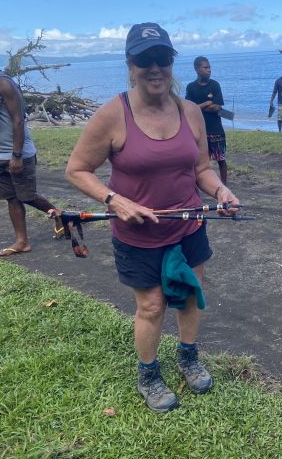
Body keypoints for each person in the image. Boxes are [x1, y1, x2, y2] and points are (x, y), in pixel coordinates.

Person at [66, 23, 240, 413]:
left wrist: (220, 191)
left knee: (191, 291)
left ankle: (188, 356)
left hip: (189, 223)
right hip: (137, 235)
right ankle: (148, 373)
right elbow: (77, 169)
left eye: (162, 58)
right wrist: (115, 200)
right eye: (146, 60)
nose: (155, 67)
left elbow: (201, 169)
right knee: (152, 306)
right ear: (130, 64)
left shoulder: (190, 111)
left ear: (172, 62)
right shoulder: (113, 114)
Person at [0, 41, 62, 257]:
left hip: (18, 153)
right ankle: (22, 241)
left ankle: (59, 215)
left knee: (26, 195)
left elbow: (18, 119)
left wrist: (16, 156)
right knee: (12, 198)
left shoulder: (2, 83)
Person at [186, 56, 228, 184]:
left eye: (209, 67)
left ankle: (224, 185)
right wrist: (205, 104)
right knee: (197, 160)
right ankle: (196, 185)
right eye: (205, 67)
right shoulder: (191, 87)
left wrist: (199, 107)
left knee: (221, 159)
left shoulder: (215, 85)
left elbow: (217, 107)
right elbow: (190, 109)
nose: (209, 70)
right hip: (198, 130)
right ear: (197, 69)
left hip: (215, 129)